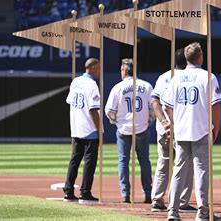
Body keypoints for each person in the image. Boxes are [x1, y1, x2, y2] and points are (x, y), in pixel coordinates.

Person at [161, 42, 221, 221]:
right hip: (201, 129)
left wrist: (175, 123)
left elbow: (166, 105)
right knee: (202, 171)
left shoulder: (177, 77)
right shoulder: (208, 77)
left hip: (181, 131)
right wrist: (216, 129)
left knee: (179, 171)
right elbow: (216, 106)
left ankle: (172, 211)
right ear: (201, 56)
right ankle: (203, 213)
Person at [149, 48, 196, 212]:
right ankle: (182, 201)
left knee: (163, 163)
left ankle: (157, 199)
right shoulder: (188, 78)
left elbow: (154, 101)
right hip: (182, 127)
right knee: (186, 164)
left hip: (164, 128)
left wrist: (164, 122)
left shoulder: (163, 77)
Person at [105, 58, 153, 204]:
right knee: (144, 161)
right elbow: (153, 108)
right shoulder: (147, 86)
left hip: (124, 129)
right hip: (142, 128)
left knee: (123, 161)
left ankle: (125, 194)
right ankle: (148, 193)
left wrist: (115, 121)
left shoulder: (118, 87)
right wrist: (148, 120)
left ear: (124, 71)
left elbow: (109, 111)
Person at [63, 58, 101, 204]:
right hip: (89, 127)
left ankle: (68, 190)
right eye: (97, 68)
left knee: (75, 159)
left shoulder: (75, 81)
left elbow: (69, 101)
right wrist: (99, 130)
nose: (99, 72)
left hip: (76, 126)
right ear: (91, 68)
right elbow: (93, 109)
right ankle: (85, 192)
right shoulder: (92, 85)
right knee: (89, 162)